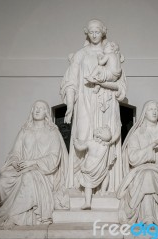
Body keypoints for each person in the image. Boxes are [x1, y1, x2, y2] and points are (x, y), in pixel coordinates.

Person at [60, 19, 127, 193]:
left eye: (97, 31)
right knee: (82, 137)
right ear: (87, 33)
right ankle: (79, 185)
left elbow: (120, 84)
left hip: (107, 102)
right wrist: (69, 105)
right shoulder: (80, 54)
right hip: (84, 100)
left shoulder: (112, 52)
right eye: (91, 31)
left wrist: (104, 84)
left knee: (106, 142)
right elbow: (71, 82)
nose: (95, 34)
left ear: (103, 32)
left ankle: (105, 188)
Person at [0, 100, 69, 227]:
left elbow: (54, 158)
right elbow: (15, 153)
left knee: (28, 178)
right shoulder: (25, 131)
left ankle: (12, 216)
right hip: (22, 169)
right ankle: (7, 213)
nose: (37, 110)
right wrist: (15, 162)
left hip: (43, 172)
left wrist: (32, 162)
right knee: (3, 181)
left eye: (41, 108)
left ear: (46, 112)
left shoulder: (52, 132)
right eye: (35, 107)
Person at [74, 126, 115, 210]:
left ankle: (87, 203)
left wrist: (75, 143)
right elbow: (110, 139)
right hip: (99, 168)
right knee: (106, 174)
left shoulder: (90, 143)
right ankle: (103, 191)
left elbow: (80, 148)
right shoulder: (106, 145)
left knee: (88, 185)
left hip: (89, 167)